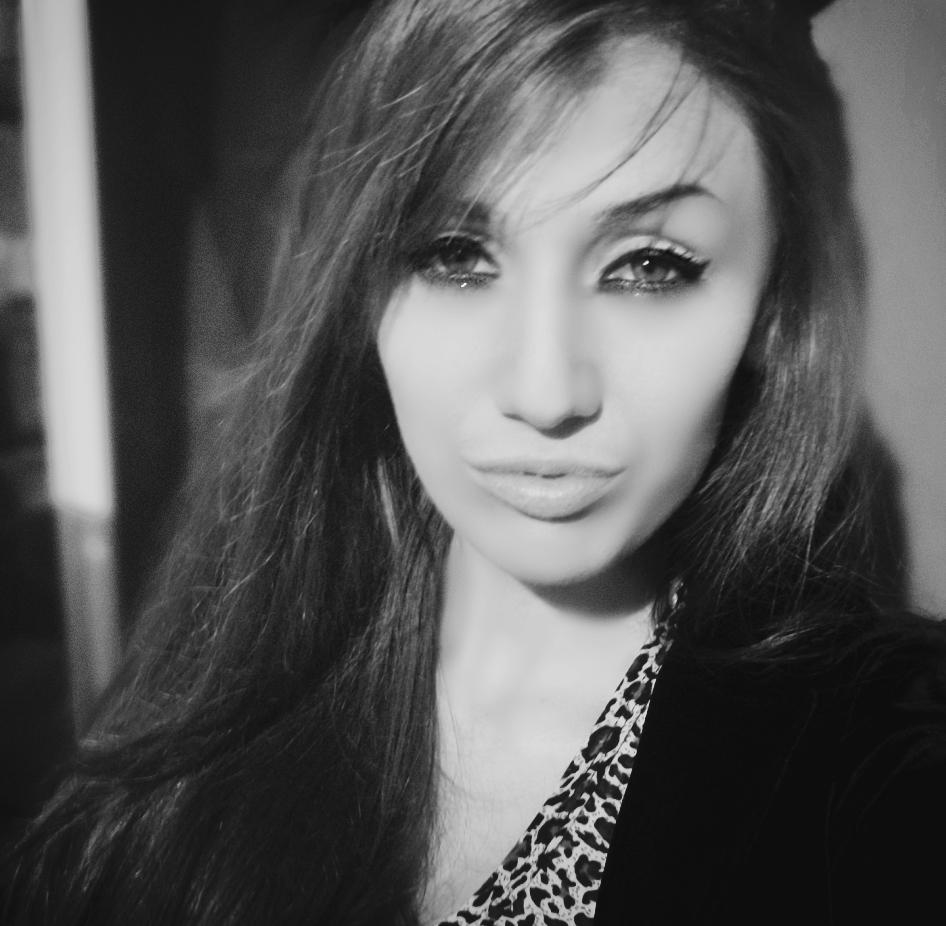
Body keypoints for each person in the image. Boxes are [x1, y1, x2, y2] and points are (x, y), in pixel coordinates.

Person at [4, 0, 946, 923]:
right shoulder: (226, 668)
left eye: (650, 265)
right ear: (359, 299)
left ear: (771, 308)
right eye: (454, 255)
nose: (545, 392)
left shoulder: (868, 761)